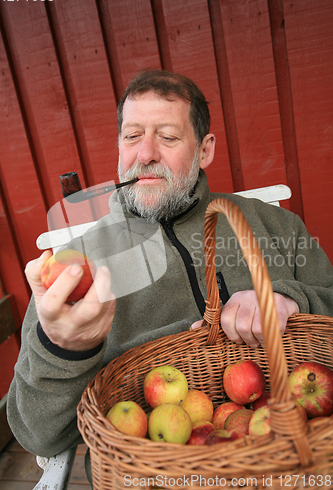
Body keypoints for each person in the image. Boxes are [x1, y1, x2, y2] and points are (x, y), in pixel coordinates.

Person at [7, 69, 333, 478]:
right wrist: (62, 349)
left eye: (167, 136)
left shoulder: (275, 226)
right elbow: (37, 434)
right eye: (132, 136)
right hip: (156, 475)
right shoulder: (77, 268)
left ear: (205, 150)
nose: (145, 154)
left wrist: (290, 299)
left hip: (297, 451)